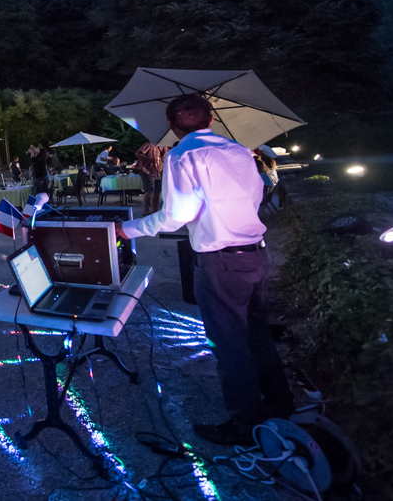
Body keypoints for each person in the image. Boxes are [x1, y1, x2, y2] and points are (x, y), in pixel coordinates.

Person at [117, 94, 294, 445]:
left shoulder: (182, 155)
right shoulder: (241, 151)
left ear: (170, 126)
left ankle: (245, 423)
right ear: (211, 119)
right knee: (258, 334)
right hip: (256, 254)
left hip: (221, 262)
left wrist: (129, 229)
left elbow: (176, 215)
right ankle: (280, 405)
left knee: (229, 344)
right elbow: (257, 194)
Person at [135, 143, 166, 216]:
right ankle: (146, 210)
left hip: (158, 170)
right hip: (147, 170)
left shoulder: (164, 147)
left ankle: (155, 210)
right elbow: (138, 153)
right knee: (149, 190)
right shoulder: (150, 145)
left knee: (157, 191)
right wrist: (150, 160)